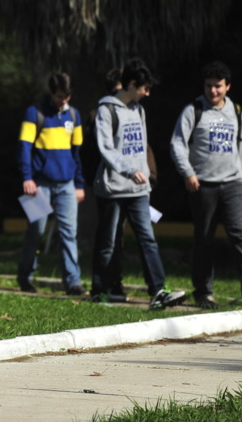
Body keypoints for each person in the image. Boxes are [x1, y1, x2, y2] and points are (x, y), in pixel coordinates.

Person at [168, 61, 242, 309]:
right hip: (203, 186)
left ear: (227, 86)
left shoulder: (236, 110)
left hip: (234, 184)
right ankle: (204, 292)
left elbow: (241, 145)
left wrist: (240, 175)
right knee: (204, 239)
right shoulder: (193, 110)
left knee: (241, 237)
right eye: (208, 86)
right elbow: (177, 144)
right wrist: (188, 173)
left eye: (218, 86)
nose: (213, 91)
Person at [90, 58, 185, 310]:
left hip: (139, 190)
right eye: (144, 88)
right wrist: (129, 170)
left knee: (147, 238)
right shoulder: (106, 110)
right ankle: (100, 289)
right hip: (112, 188)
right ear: (131, 84)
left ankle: (158, 291)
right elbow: (106, 149)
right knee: (109, 242)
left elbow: (141, 147)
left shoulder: (139, 110)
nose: (147, 93)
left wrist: (145, 175)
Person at [16, 72, 85, 295]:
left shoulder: (74, 115)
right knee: (36, 230)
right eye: (58, 96)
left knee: (69, 233)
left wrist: (79, 183)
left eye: (67, 96)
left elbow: (77, 153)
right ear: (51, 93)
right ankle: (25, 277)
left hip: (66, 184)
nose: (63, 101)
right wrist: (27, 177)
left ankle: (73, 282)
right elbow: (24, 147)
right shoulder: (34, 113)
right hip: (39, 183)